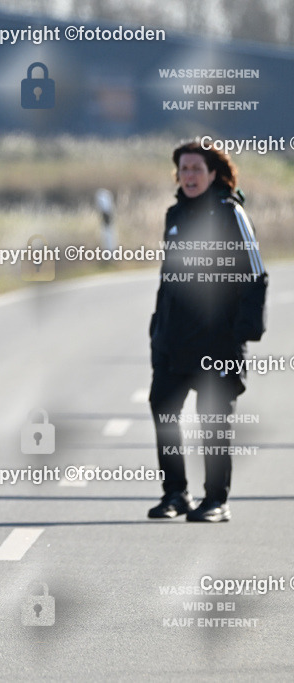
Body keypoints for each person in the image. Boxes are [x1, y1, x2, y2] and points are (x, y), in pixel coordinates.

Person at [147, 141, 266, 523]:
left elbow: (255, 273)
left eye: (197, 168)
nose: (190, 176)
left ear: (214, 173)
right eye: (184, 169)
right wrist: (157, 329)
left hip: (218, 342)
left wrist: (243, 332)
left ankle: (216, 499)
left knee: (213, 419)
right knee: (163, 410)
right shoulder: (175, 214)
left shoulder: (230, 214)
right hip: (173, 340)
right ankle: (175, 494)